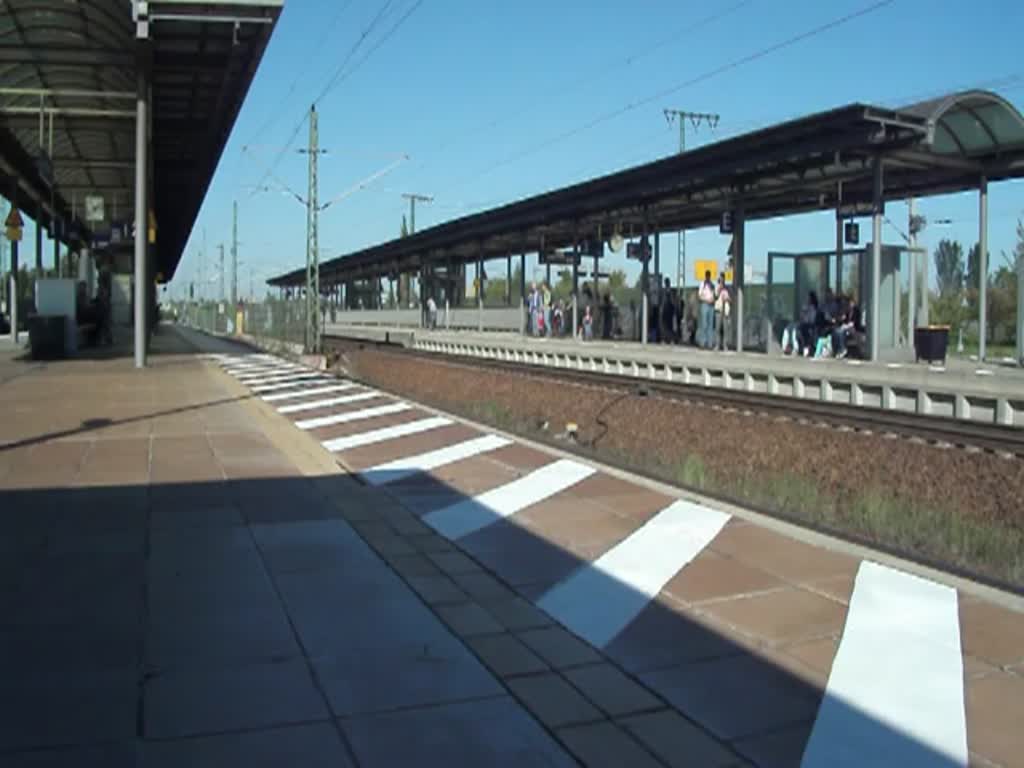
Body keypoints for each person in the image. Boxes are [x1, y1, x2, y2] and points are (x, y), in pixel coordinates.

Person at [698, 270, 715, 349]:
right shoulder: (702, 284)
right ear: (705, 276)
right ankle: (702, 342)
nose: (708, 277)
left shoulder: (712, 284)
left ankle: (710, 343)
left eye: (709, 275)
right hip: (704, 304)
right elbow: (700, 296)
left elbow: (714, 294)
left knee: (710, 325)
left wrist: (712, 300)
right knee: (704, 324)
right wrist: (706, 300)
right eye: (707, 275)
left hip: (711, 305)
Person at [714, 273, 731, 351]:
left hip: (725, 311)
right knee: (718, 328)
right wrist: (720, 288)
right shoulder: (717, 287)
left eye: (723, 279)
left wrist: (727, 299)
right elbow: (715, 296)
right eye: (720, 279)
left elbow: (731, 299)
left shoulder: (727, 288)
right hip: (719, 309)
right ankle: (717, 344)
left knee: (725, 329)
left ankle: (725, 345)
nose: (722, 281)